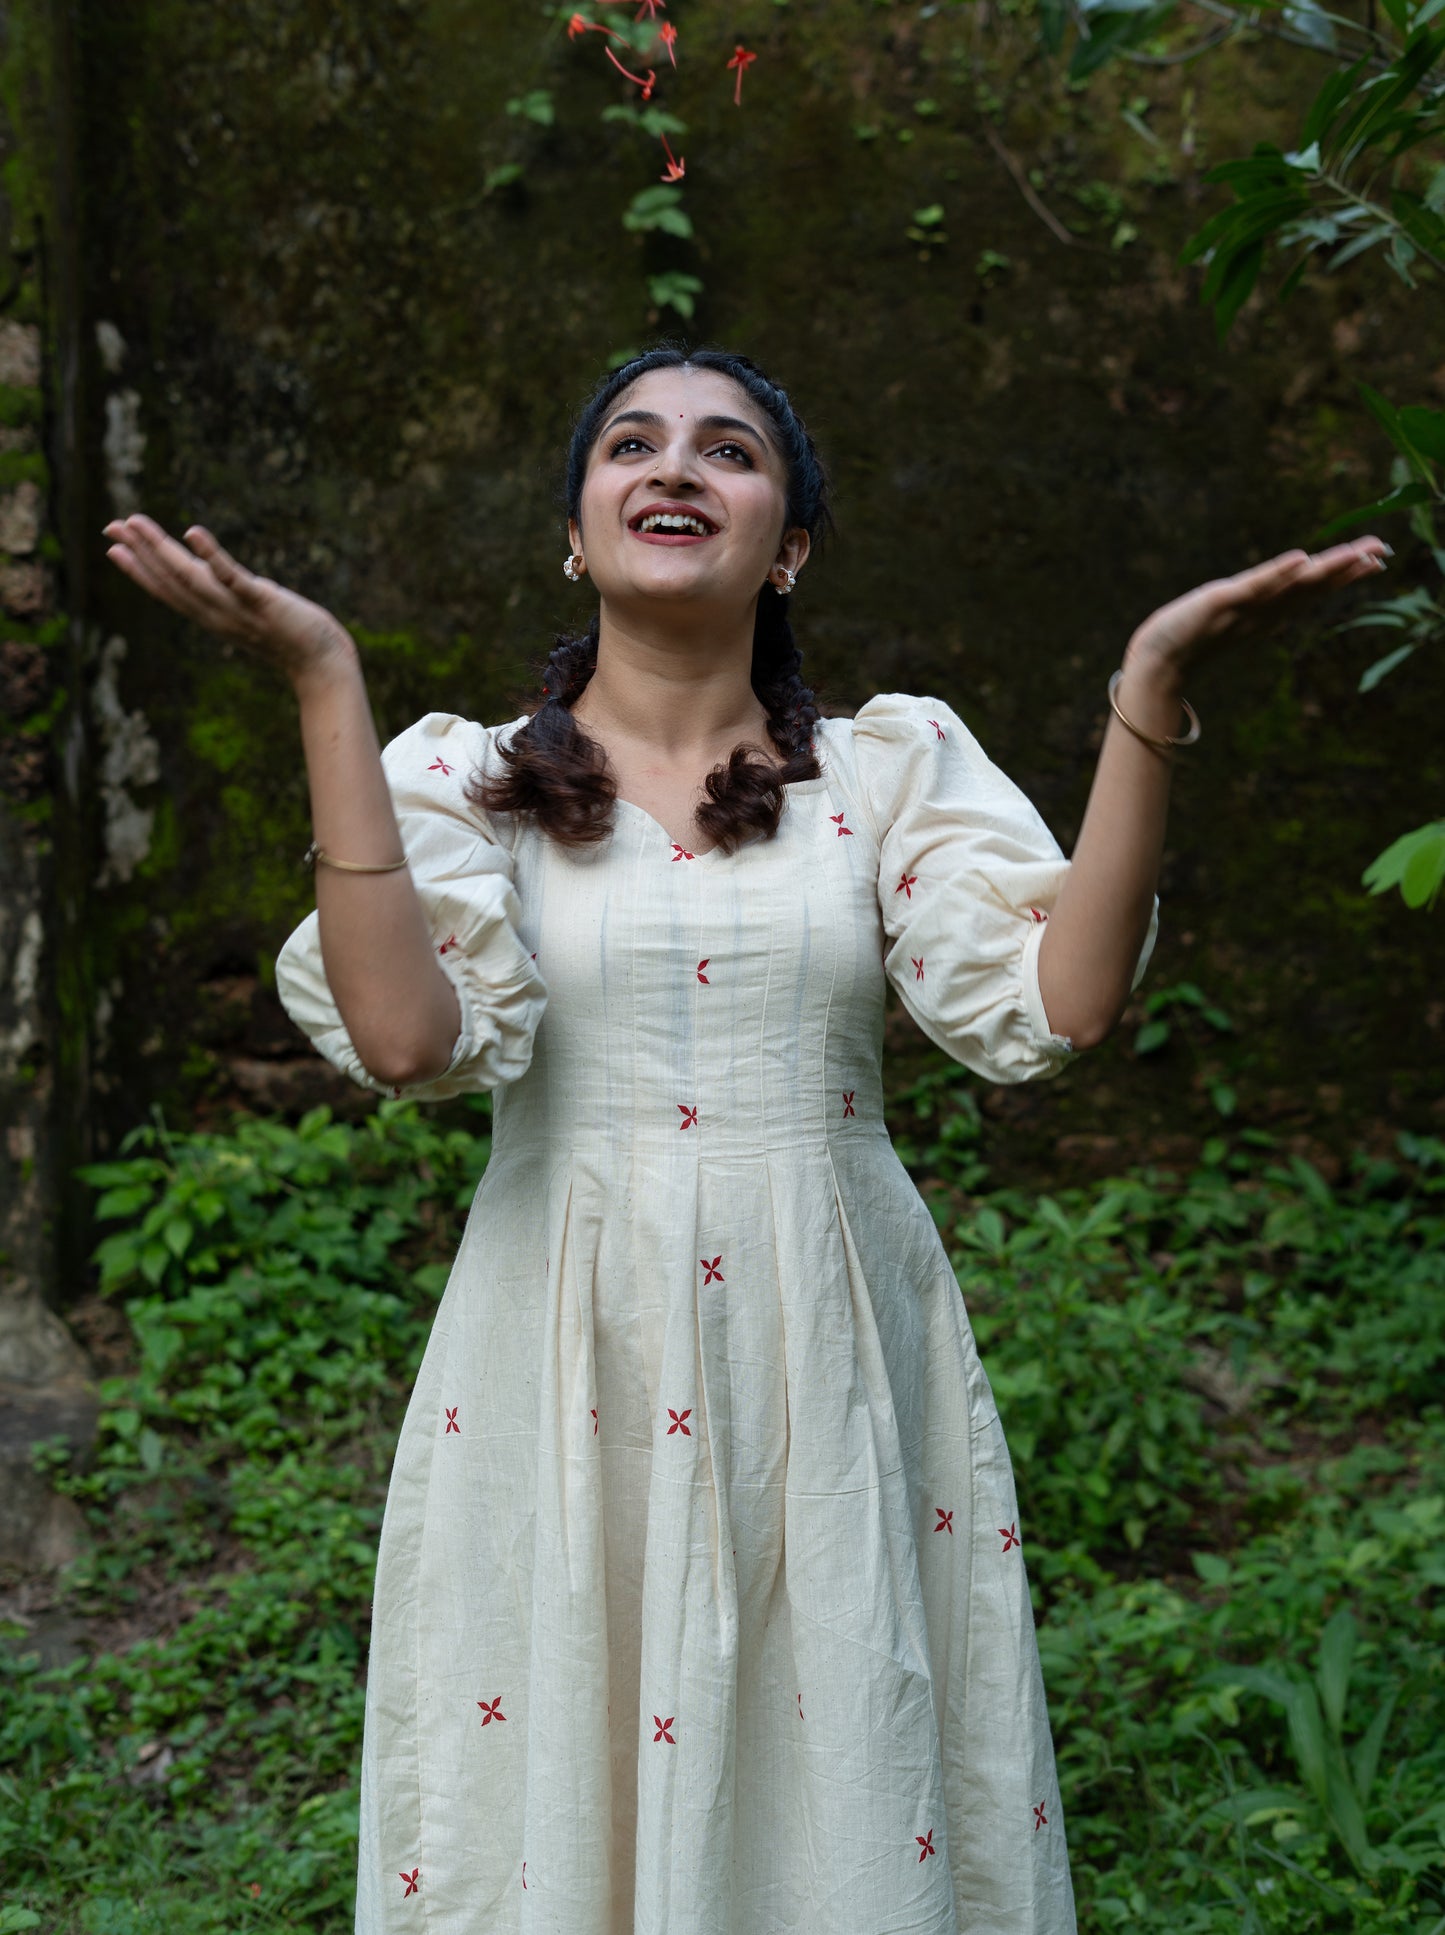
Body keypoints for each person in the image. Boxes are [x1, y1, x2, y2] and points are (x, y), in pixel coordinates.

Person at [103, 346, 1388, 1935]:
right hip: (560, 1345)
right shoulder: (462, 782)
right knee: (552, 1775)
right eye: (631, 444)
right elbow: (404, 1039)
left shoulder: (881, 772)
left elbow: (1058, 1009)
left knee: (844, 1759)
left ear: (785, 546)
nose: (674, 467)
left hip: (831, 1342)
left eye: (727, 451)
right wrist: (321, 680)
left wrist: (1148, 691)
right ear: (575, 531)